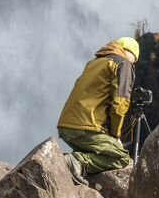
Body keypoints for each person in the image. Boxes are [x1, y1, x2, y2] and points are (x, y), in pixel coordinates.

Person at [57, 37, 139, 185]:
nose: (134, 64)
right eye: (135, 59)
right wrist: (115, 136)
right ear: (131, 53)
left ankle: (65, 163)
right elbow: (120, 104)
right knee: (121, 158)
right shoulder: (123, 63)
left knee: (100, 153)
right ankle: (76, 161)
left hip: (66, 128)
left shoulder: (94, 63)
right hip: (86, 128)